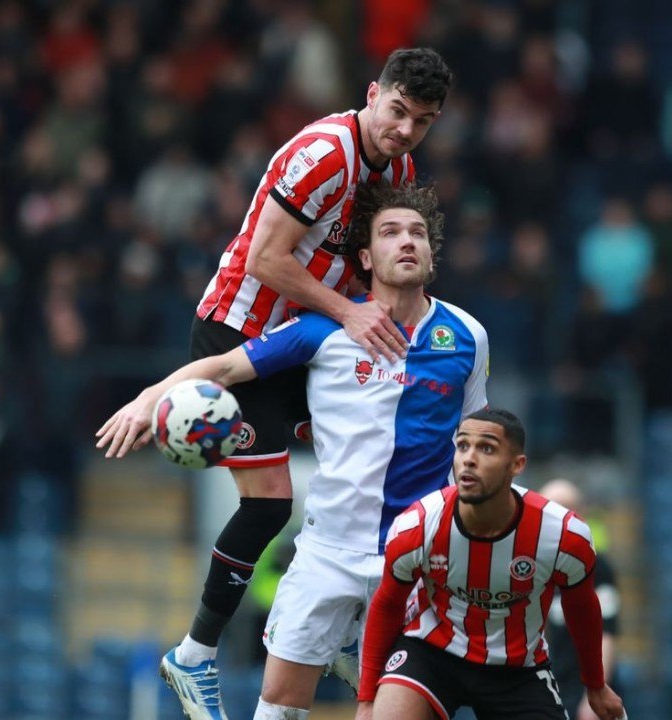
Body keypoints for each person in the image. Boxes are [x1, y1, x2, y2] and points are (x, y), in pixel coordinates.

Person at [112, 46, 450, 719]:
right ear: (372, 93)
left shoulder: (400, 168)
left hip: (305, 340)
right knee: (269, 502)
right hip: (244, 330)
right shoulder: (324, 152)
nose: (404, 129)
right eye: (398, 110)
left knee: (381, 445)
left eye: (422, 120)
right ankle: (194, 655)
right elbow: (266, 260)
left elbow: (362, 260)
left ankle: (345, 623)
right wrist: (350, 311)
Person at [355, 409, 626, 720]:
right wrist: (366, 701)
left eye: (486, 448)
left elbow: (582, 610)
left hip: (517, 669)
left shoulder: (563, 535)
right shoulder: (417, 526)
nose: (469, 459)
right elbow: (388, 605)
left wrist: (595, 685)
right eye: (462, 446)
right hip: (431, 653)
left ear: (517, 465)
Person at [536, 479, 620, 720]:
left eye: (564, 510)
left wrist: (595, 692)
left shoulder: (596, 566)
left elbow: (607, 633)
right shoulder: (529, 564)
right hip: (545, 685)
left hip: (582, 687)